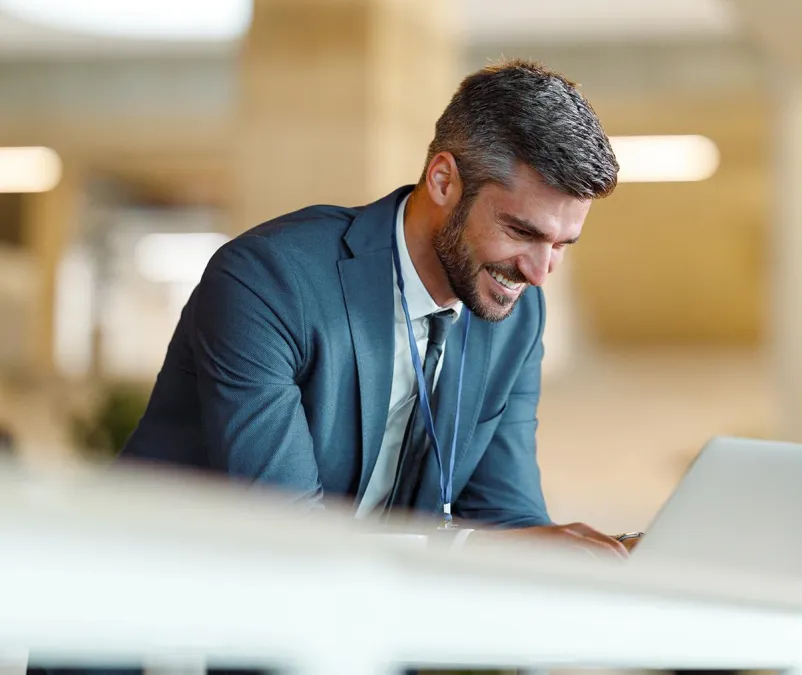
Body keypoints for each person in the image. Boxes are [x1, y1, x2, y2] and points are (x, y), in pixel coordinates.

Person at [120, 59, 632, 560]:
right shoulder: (270, 281)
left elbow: (504, 517)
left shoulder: (518, 317)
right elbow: (285, 537)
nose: (540, 272)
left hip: (351, 622)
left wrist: (591, 560)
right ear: (443, 181)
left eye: (563, 244)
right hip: (172, 609)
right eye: (522, 232)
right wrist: (480, 547)